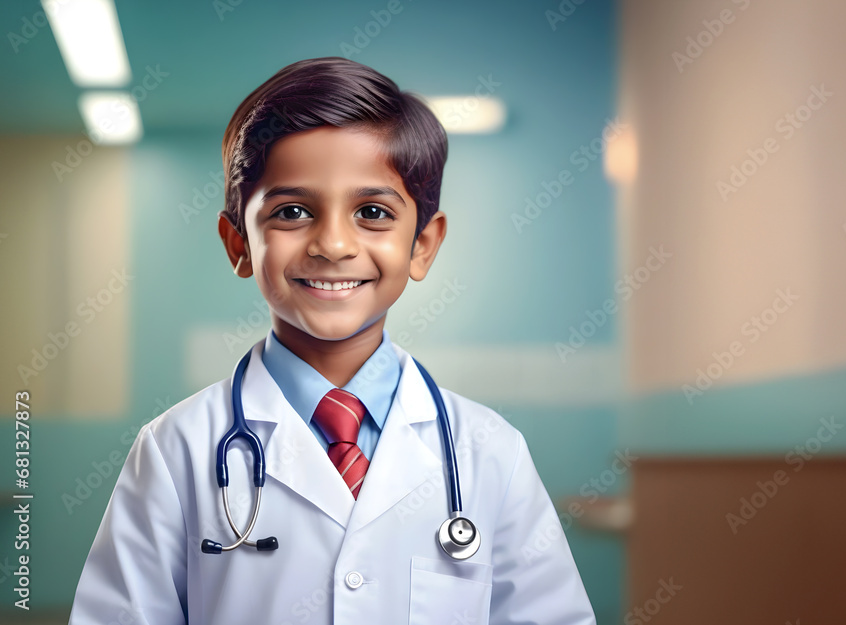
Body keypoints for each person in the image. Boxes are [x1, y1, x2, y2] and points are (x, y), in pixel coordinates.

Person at [69, 56, 596, 624]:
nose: (334, 245)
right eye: (292, 211)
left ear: (423, 244)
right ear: (238, 244)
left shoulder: (490, 453)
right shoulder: (176, 451)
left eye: (372, 212)